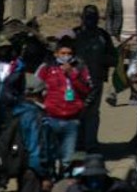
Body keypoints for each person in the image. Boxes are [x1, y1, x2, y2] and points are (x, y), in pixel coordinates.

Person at [39, 37, 92, 174]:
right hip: (51, 118)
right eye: (63, 53)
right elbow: (35, 87)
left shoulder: (79, 67)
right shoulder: (47, 68)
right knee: (49, 155)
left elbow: (87, 90)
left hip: (72, 120)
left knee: (68, 159)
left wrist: (72, 74)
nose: (66, 56)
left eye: (69, 53)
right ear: (56, 53)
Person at [72, 5, 116, 154]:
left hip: (96, 81)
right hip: (75, 80)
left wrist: (102, 60)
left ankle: (90, 144)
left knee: (92, 113)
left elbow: (114, 58)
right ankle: (77, 143)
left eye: (93, 18)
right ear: (82, 18)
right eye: (88, 17)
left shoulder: (103, 36)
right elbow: (62, 54)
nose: (90, 21)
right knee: (76, 111)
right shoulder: (74, 34)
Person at [67, 154, 134, 192]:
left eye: (98, 176)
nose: (95, 181)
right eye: (91, 177)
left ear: (104, 175)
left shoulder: (119, 186)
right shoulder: (75, 189)